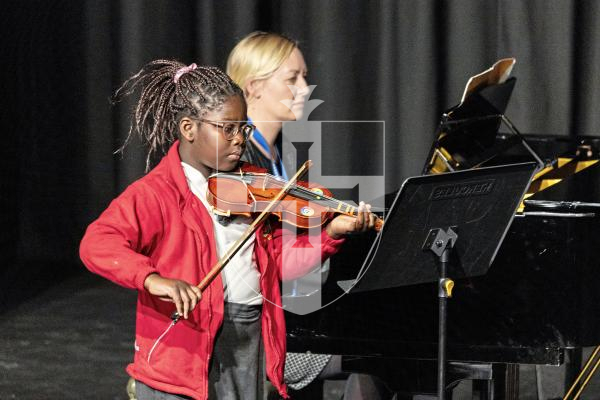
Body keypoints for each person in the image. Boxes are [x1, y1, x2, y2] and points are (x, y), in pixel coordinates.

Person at [79, 59, 377, 400]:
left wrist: (331, 234)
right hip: (183, 351)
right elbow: (97, 243)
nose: (240, 141)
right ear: (189, 128)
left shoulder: (251, 188)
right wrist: (153, 280)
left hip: (247, 337)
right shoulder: (157, 193)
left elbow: (279, 266)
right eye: (227, 128)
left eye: (244, 129)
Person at [227, 33, 393, 400]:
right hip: (270, 330)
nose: (305, 87)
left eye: (305, 76)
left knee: (380, 339)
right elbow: (270, 266)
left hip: (292, 308)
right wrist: (330, 232)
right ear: (253, 87)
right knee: (381, 348)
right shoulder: (242, 167)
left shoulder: (272, 158)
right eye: (292, 78)